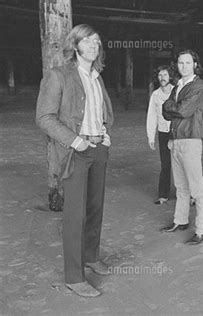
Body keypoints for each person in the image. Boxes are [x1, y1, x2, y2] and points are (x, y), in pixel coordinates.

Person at [36, 24, 113, 298]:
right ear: (76, 45)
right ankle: (74, 276)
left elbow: (101, 111)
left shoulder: (96, 76)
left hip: (98, 149)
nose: (94, 45)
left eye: (97, 41)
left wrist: (104, 133)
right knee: (75, 214)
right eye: (88, 41)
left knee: (95, 207)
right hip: (75, 152)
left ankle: (91, 256)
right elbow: (44, 118)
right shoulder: (59, 76)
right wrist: (76, 140)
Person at [162, 49, 203, 245]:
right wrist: (172, 106)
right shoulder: (177, 86)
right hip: (175, 139)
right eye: (180, 63)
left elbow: (183, 110)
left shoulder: (199, 86)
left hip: (190, 139)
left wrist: (172, 106)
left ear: (195, 65)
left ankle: (202, 229)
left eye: (188, 63)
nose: (184, 66)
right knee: (181, 187)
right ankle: (180, 221)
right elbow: (165, 112)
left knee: (197, 189)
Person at [146, 65, 175, 205]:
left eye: (165, 75)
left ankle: (191, 195)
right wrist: (151, 137)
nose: (162, 78)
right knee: (165, 165)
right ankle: (163, 195)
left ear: (170, 76)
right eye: (160, 75)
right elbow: (151, 116)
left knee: (183, 164)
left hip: (178, 132)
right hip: (163, 133)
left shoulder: (177, 92)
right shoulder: (155, 95)